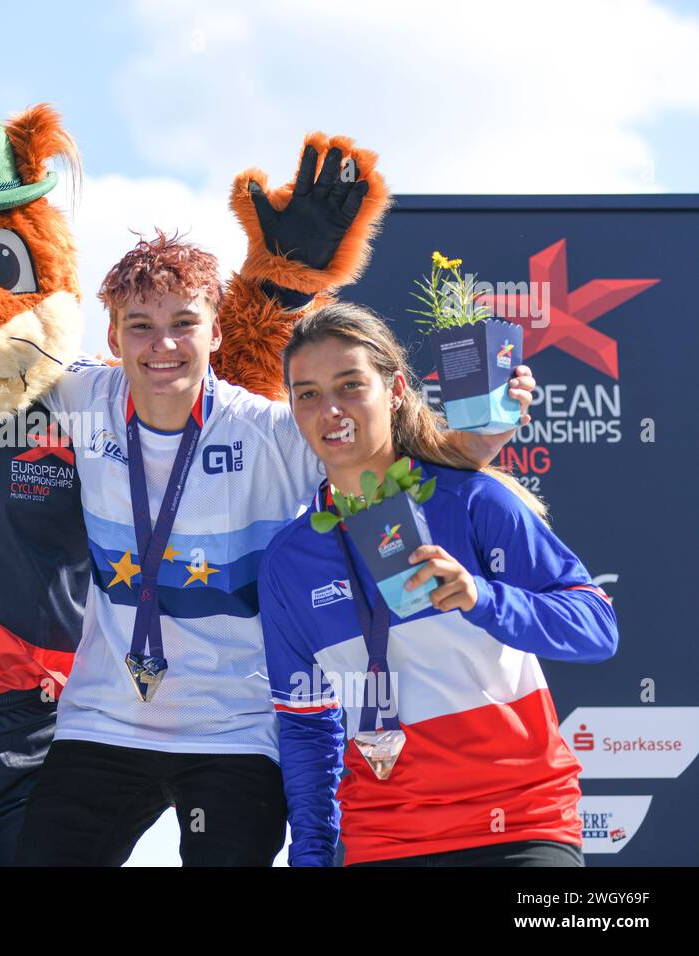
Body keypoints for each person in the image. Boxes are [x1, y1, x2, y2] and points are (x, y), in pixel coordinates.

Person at [13, 234, 534, 865]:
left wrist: (480, 442)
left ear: (217, 335)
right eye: (141, 326)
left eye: (185, 324)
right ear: (114, 335)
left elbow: (380, 470)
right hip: (104, 719)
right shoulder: (79, 398)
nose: (164, 345)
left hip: (236, 728)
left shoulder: (268, 431)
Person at [258, 302, 618, 868]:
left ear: (395, 389)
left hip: (518, 827)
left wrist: (481, 597)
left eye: (350, 385)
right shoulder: (290, 561)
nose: (330, 409)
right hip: (384, 840)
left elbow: (597, 628)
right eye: (308, 394)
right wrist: (310, 854)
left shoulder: (471, 500)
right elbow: (306, 727)